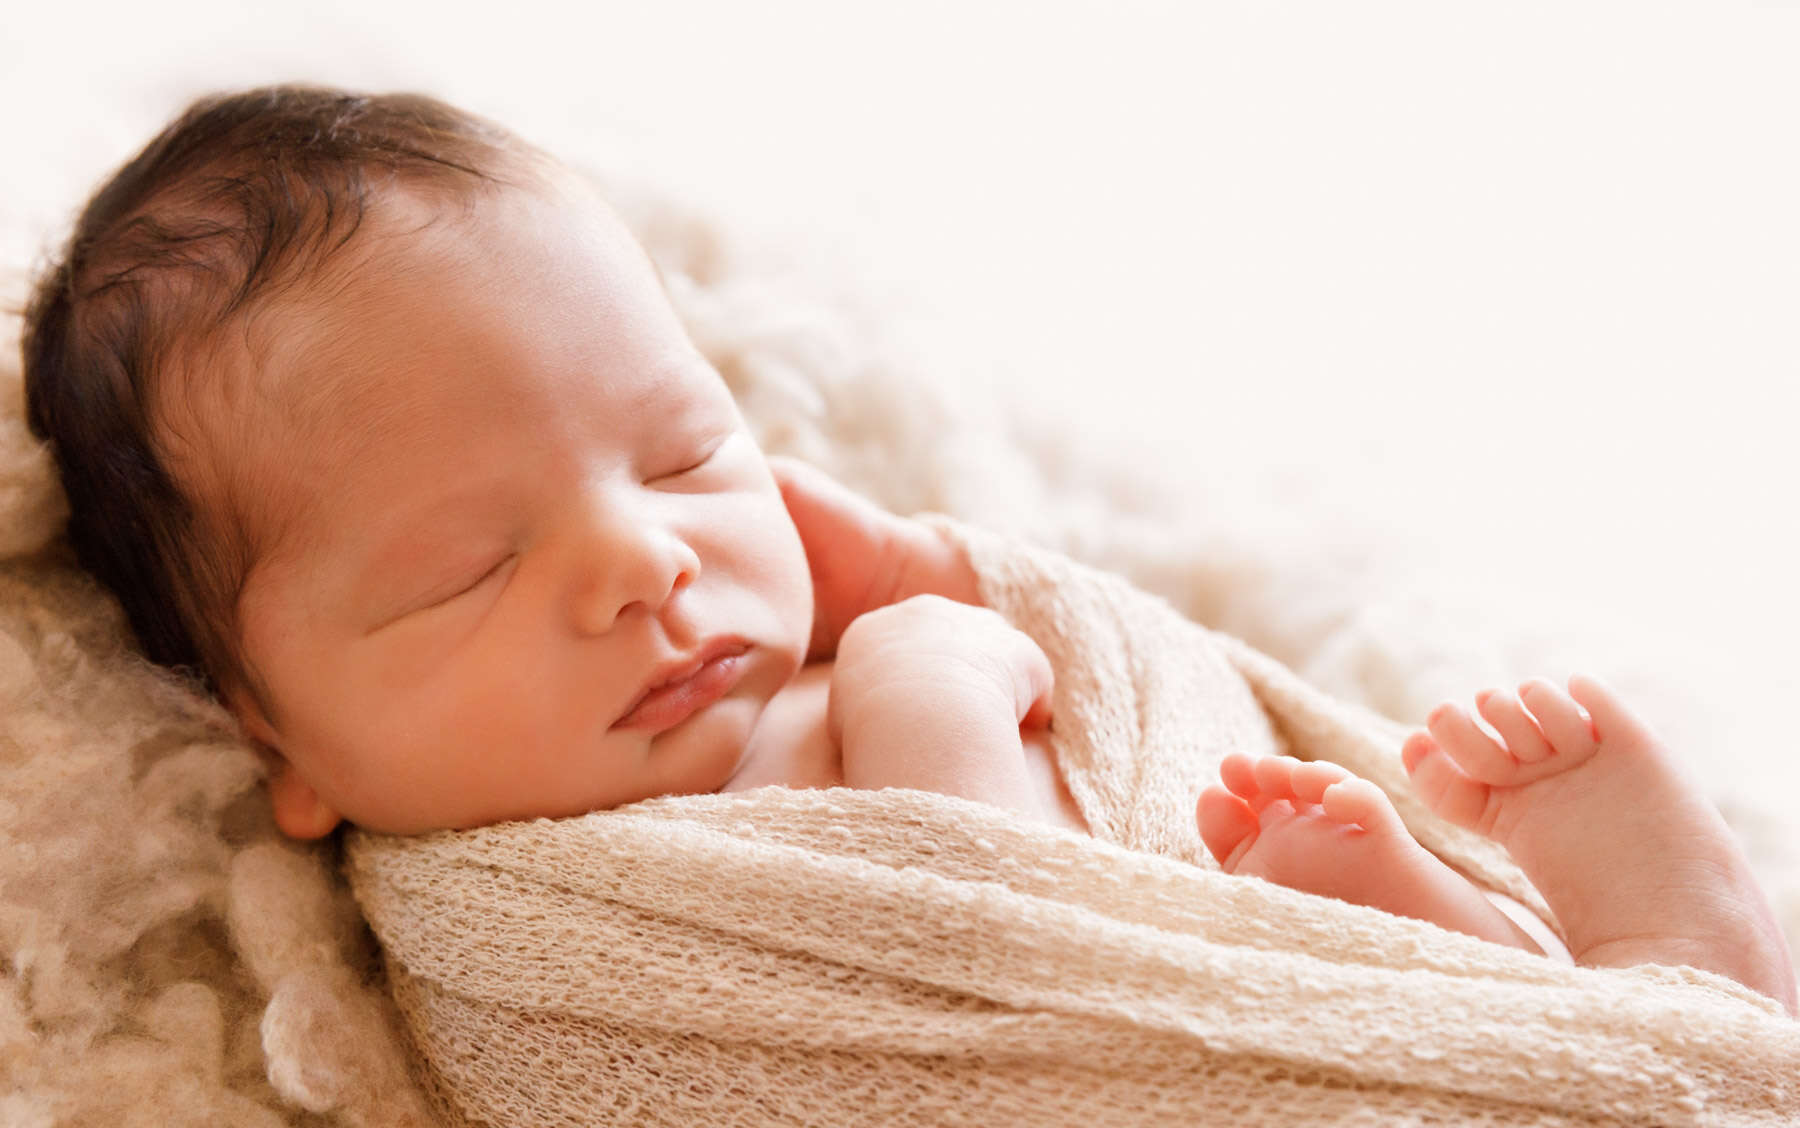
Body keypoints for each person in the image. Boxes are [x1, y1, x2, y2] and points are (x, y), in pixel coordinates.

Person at [21, 85, 1795, 1016]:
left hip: (1224, 936)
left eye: (683, 448)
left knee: (1435, 980)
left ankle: (1634, 950)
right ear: (275, 739)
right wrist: (931, 686)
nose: (643, 560)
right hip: (1131, 1069)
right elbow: (990, 949)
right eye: (466, 568)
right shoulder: (534, 926)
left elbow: (1093, 668)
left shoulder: (818, 649)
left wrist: (930, 597)